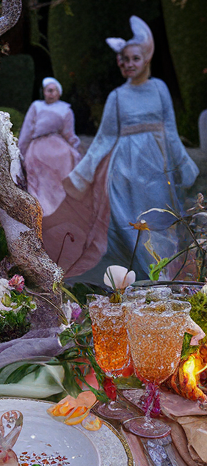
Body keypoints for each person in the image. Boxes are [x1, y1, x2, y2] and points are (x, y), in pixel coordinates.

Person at [48, 16, 197, 279]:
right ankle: (143, 275)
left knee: (160, 220)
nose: (129, 64)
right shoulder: (117, 97)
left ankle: (163, 273)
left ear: (146, 58)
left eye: (135, 59)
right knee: (131, 222)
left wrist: (183, 163)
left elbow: (170, 130)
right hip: (125, 172)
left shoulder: (160, 89)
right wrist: (82, 174)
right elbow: (104, 138)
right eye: (125, 60)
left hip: (157, 170)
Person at [18, 77, 80, 217]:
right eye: (48, 90)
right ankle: (40, 208)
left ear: (59, 93)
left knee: (61, 173)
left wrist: (74, 148)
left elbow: (69, 133)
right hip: (37, 146)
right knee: (37, 177)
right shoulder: (36, 106)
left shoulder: (65, 109)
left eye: (54, 91)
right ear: (44, 92)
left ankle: (60, 209)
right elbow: (27, 130)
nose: (51, 93)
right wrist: (21, 150)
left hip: (57, 146)